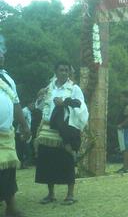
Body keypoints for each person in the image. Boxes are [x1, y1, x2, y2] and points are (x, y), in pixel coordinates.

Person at [34, 60, 89, 205]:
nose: (64, 72)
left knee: (67, 161)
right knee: (47, 161)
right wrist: (39, 96)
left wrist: (64, 102)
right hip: (47, 129)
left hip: (64, 129)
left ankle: (70, 195)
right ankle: (50, 194)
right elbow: (40, 107)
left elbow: (81, 108)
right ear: (56, 71)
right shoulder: (49, 88)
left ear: (69, 72)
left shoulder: (75, 88)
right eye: (61, 70)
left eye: (66, 70)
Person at [0, 49, 31, 217]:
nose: (1, 56)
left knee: (9, 171)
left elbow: (16, 103)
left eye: (2, 53)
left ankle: (11, 207)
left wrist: (25, 126)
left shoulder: (7, 79)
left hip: (6, 134)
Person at [116, 90, 128, 173]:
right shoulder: (126, 106)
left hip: (126, 130)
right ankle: (126, 167)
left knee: (127, 149)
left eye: (121, 97)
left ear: (126, 97)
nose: (120, 98)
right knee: (125, 149)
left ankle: (127, 168)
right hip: (125, 130)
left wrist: (121, 125)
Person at [15, 102, 34, 169]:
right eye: (32, 104)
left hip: (25, 133)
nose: (33, 106)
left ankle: (22, 164)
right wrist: (22, 134)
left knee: (23, 149)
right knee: (25, 150)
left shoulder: (28, 111)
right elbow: (20, 123)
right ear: (28, 104)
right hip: (22, 133)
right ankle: (23, 164)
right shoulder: (24, 111)